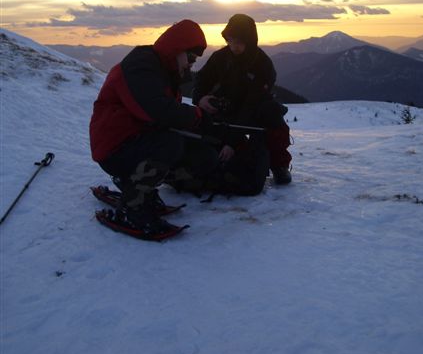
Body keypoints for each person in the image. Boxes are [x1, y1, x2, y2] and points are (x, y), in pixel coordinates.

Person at [89, 19, 219, 239]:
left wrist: (204, 127)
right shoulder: (140, 67)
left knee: (201, 154)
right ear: (177, 50)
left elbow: (168, 113)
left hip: (135, 140)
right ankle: (134, 208)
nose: (191, 64)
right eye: (190, 58)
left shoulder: (165, 73)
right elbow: (158, 111)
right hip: (114, 148)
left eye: (194, 60)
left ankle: (137, 187)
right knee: (169, 144)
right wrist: (198, 116)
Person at [192, 13, 292, 185]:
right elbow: (202, 79)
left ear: (249, 40)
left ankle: (279, 165)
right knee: (201, 120)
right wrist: (200, 98)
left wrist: (232, 142)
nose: (233, 46)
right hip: (227, 107)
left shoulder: (262, 64)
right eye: (230, 40)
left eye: (238, 41)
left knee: (274, 116)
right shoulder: (220, 58)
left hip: (255, 109)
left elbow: (250, 104)